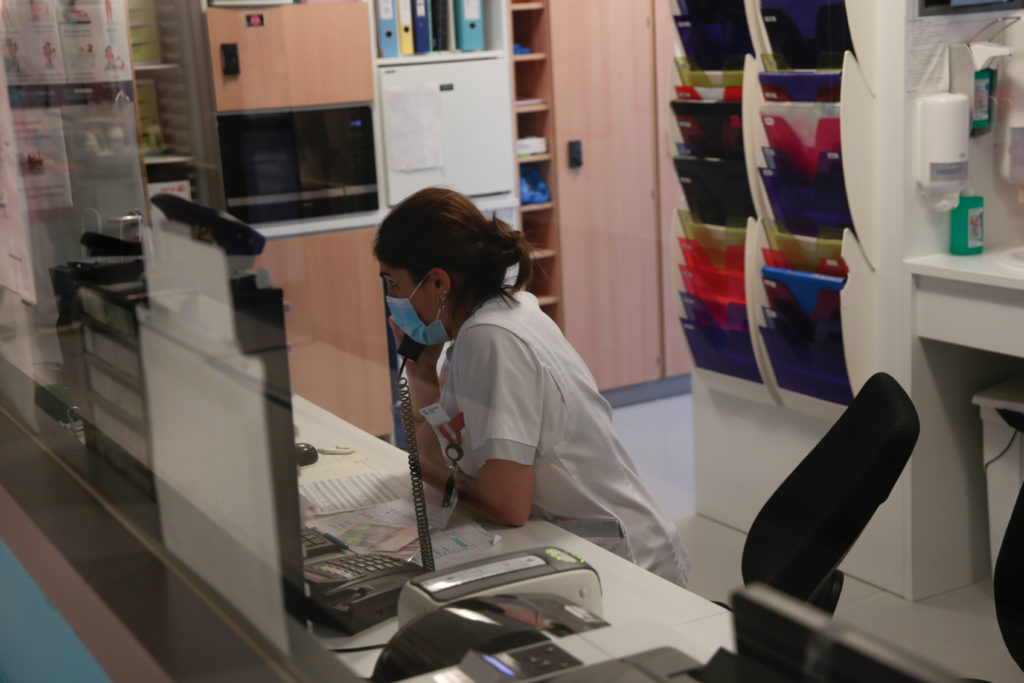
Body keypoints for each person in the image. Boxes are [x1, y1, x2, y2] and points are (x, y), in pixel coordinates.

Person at [374, 187, 691, 587]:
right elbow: (441, 453)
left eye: (394, 285)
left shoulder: (490, 339)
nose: (391, 301)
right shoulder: (490, 321)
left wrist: (432, 471)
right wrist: (421, 373)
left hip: (627, 568)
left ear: (438, 282)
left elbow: (507, 505)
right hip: (577, 545)